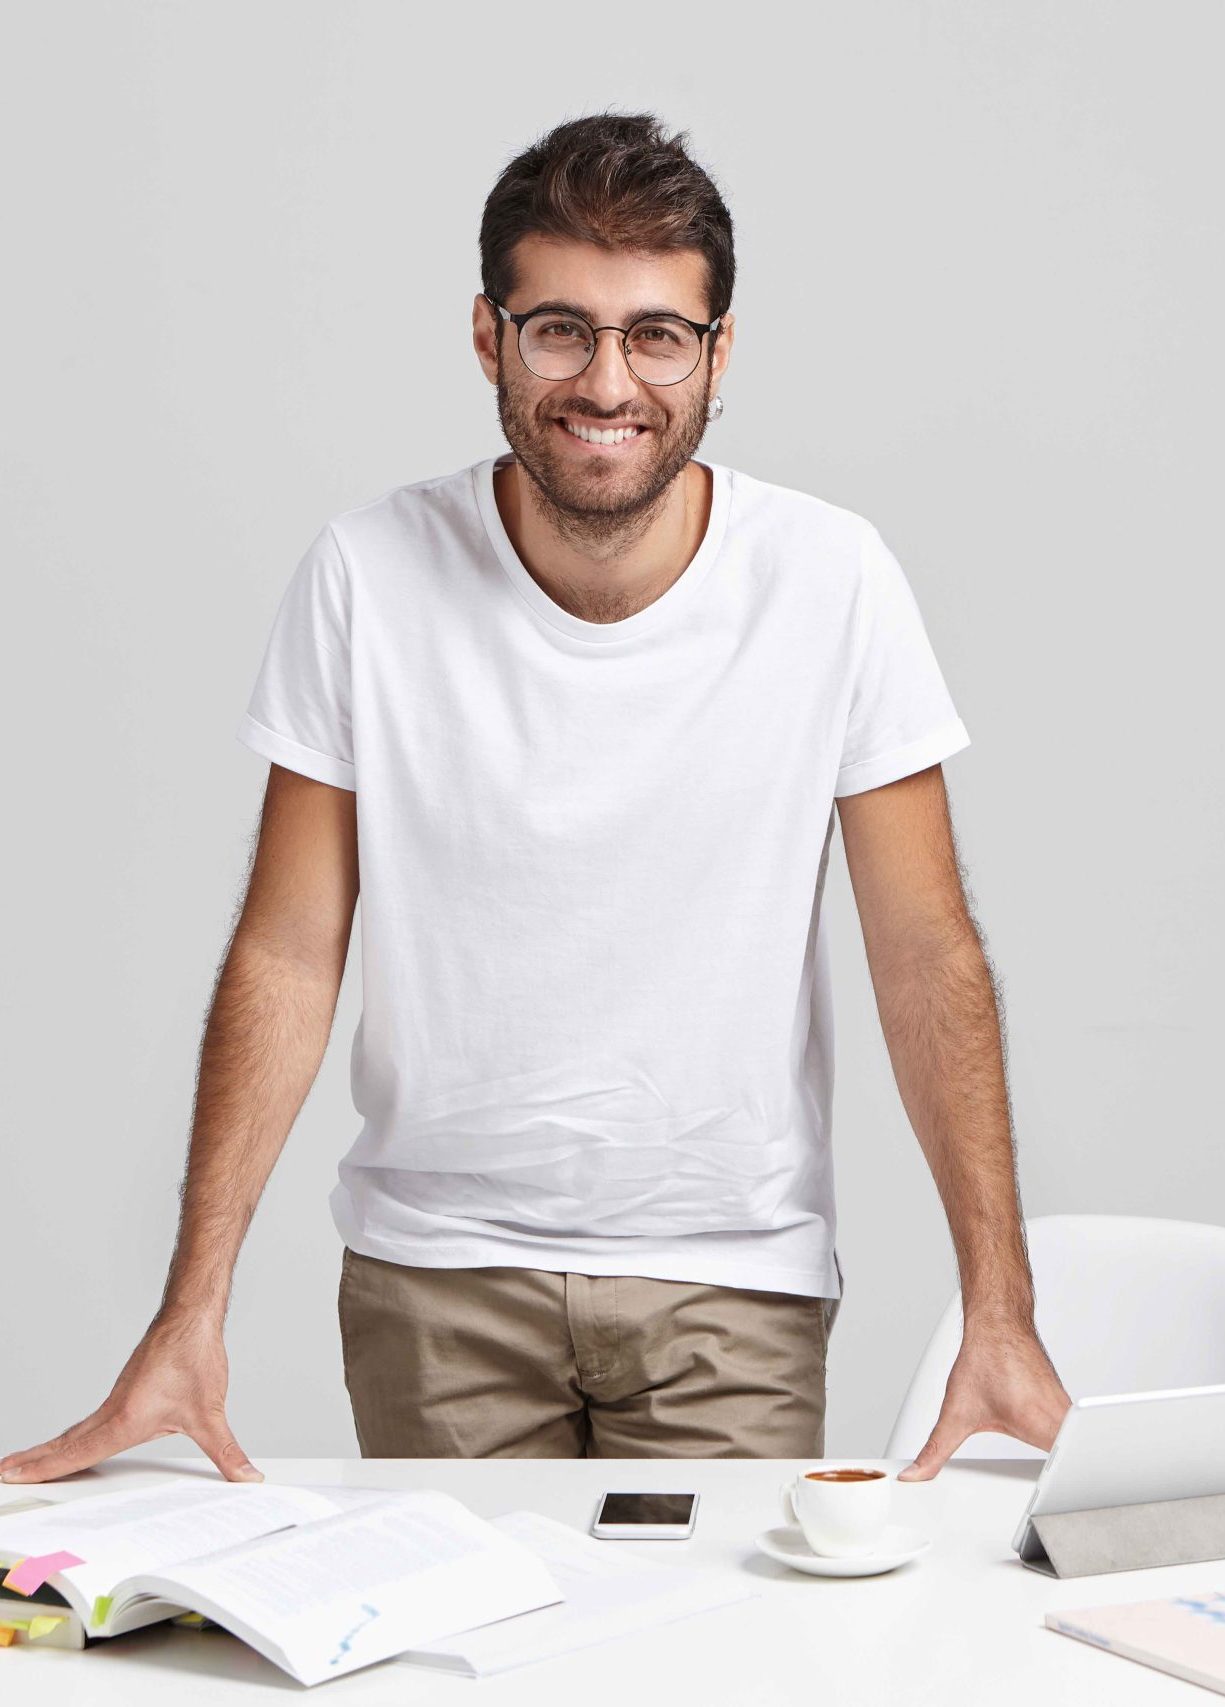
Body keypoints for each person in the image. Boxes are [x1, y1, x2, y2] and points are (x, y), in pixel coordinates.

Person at [1, 110, 1071, 1483]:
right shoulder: (366, 573)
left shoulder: (832, 578)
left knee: (714, 1629)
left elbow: (924, 950)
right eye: (559, 329)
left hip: (732, 1279)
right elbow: (287, 951)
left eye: (657, 335)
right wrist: (188, 1311)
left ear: (718, 354)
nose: (607, 382)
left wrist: (999, 1310)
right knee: (460, 1622)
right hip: (436, 1279)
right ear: (487, 336)